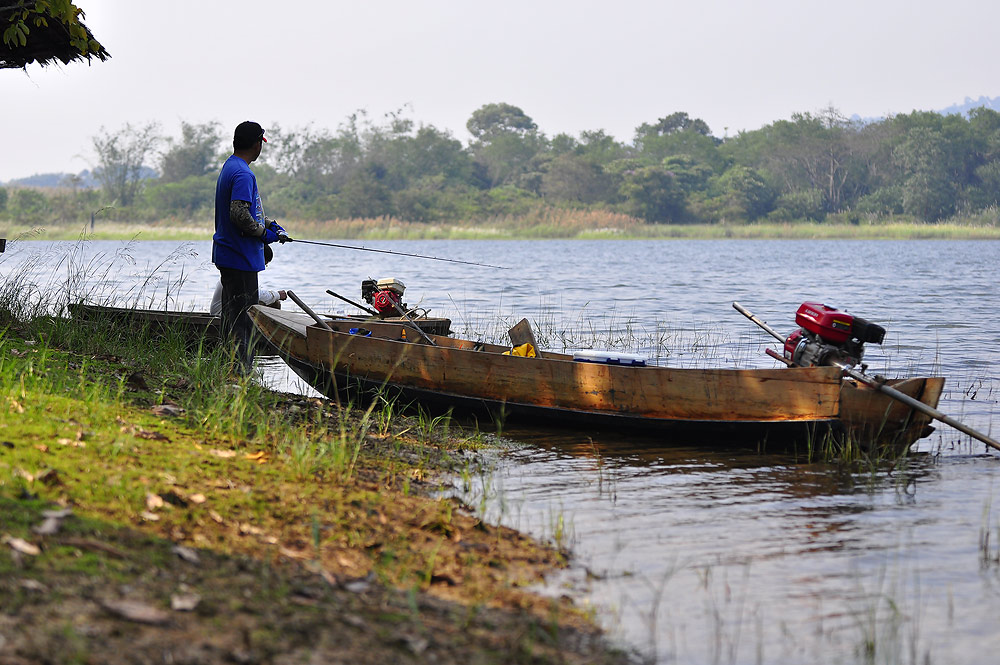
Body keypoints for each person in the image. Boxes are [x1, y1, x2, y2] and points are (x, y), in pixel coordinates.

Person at [212, 120, 291, 374]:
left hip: (230, 255)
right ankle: (241, 375)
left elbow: (248, 211)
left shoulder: (231, 166)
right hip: (240, 257)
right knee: (243, 321)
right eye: (261, 144)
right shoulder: (244, 174)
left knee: (231, 319)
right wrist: (263, 234)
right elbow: (239, 214)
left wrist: (271, 225)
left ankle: (229, 371)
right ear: (257, 144)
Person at [209, 244, 287, 316]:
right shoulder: (239, 272)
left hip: (228, 311)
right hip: (221, 314)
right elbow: (254, 294)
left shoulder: (239, 268)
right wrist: (277, 295)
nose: (264, 267)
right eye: (264, 263)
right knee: (274, 303)